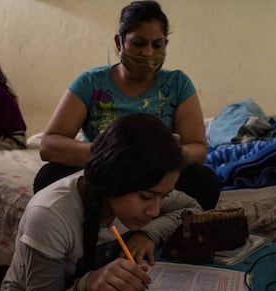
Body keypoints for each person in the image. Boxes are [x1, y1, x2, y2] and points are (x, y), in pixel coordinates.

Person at [0, 113, 203, 291]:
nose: (155, 210)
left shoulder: (147, 188)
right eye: (146, 197)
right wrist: (87, 285)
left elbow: (192, 209)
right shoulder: (49, 216)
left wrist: (148, 233)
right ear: (113, 180)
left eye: (164, 196)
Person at [34, 0, 220, 210]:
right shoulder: (90, 83)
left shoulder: (178, 84)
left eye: (157, 45)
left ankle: (150, 221)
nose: (148, 53)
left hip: (156, 178)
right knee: (49, 178)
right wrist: (113, 155)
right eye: (138, 43)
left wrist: (166, 155)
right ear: (119, 42)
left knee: (205, 182)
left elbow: (198, 149)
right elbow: (48, 145)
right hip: (104, 174)